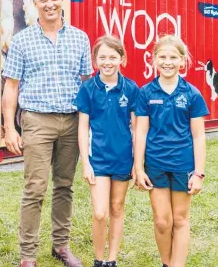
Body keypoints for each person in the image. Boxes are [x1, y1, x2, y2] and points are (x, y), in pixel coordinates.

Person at [2, 0, 93, 267]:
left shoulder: (80, 38)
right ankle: (28, 256)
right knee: (35, 189)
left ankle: (61, 246)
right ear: (34, 2)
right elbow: (11, 87)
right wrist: (9, 128)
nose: (50, 4)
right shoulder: (22, 40)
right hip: (37, 121)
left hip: (72, 122)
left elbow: (87, 84)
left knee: (65, 185)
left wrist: (91, 127)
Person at [134, 35, 210, 267]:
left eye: (173, 57)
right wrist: (138, 168)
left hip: (183, 166)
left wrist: (198, 173)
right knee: (162, 221)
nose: (168, 62)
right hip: (155, 165)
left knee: (180, 219)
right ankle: (166, 263)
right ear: (154, 60)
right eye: (163, 56)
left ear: (183, 61)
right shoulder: (146, 93)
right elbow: (141, 132)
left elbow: (198, 136)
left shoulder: (192, 94)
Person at [74, 35, 139, 267]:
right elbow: (83, 128)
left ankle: (112, 260)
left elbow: (136, 128)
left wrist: (136, 163)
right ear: (95, 60)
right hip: (98, 160)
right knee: (100, 212)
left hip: (123, 159)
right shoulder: (88, 89)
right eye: (102, 57)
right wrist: (86, 163)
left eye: (113, 56)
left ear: (122, 58)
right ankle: (98, 259)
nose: (107, 62)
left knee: (117, 208)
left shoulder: (131, 89)